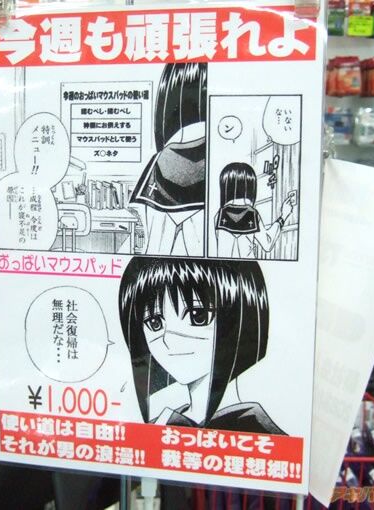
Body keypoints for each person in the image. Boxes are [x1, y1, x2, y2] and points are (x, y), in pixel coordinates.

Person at [119, 256, 284, 435]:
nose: (170, 341)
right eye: (155, 323)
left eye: (197, 316)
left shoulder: (261, 433)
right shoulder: (161, 424)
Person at [131, 63, 207, 257]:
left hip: (165, 165)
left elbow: (154, 248)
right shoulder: (216, 153)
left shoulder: (160, 160)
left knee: (157, 249)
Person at [214, 162, 294, 259]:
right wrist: (283, 217)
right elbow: (268, 244)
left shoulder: (218, 216)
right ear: (250, 187)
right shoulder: (251, 214)